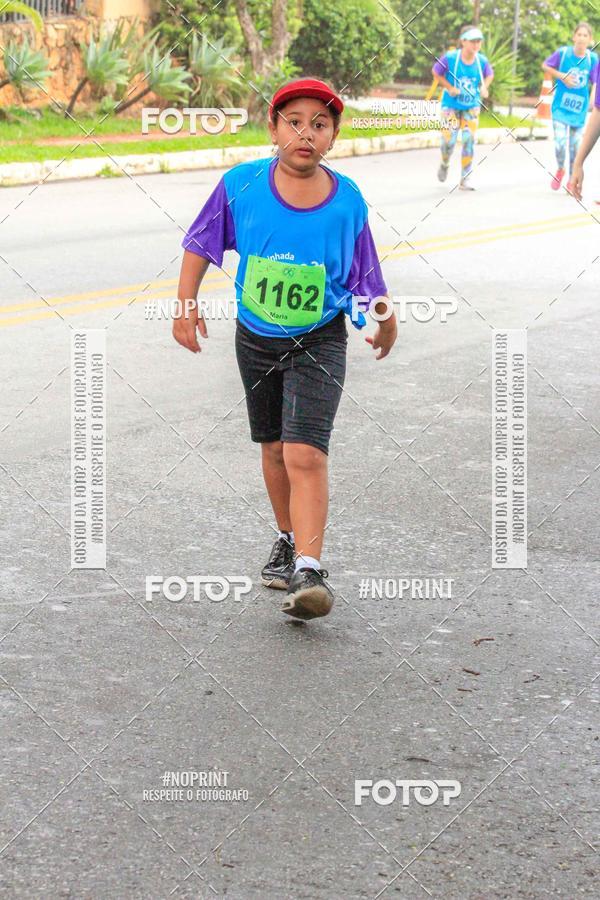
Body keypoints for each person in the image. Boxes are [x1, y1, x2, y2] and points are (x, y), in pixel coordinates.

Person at [173, 78, 397, 621]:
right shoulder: (241, 185)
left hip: (318, 339)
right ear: (272, 127)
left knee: (305, 452)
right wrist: (185, 304)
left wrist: (384, 317)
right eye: (294, 121)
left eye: (319, 124)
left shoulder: (346, 200)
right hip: (254, 339)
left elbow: (364, 268)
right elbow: (201, 242)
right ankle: (287, 537)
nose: (306, 133)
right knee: (273, 449)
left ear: (333, 136)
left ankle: (311, 568)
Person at [432, 26, 494, 190]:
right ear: (463, 41)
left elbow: (489, 75)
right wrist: (449, 87)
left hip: (471, 107)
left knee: (468, 140)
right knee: (448, 141)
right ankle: (444, 163)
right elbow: (436, 72)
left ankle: (465, 178)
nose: (476, 45)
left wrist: (484, 87)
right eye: (473, 41)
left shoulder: (482, 61)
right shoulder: (451, 58)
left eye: (479, 41)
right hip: (450, 106)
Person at [542, 22, 598, 193]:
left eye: (585, 35)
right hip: (560, 108)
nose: (581, 38)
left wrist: (593, 98)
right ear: (574, 37)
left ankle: (571, 178)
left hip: (579, 111)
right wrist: (561, 76)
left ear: (590, 40)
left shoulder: (592, 59)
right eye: (579, 34)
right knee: (559, 143)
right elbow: (545, 65)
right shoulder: (563, 53)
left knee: (575, 146)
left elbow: (597, 81)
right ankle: (560, 169)